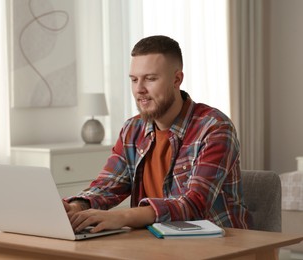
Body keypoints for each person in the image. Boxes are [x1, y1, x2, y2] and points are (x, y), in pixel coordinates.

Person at [63, 35, 251, 234]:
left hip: (219, 245)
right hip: (152, 243)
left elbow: (194, 205)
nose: (139, 89)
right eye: (134, 80)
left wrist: (123, 216)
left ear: (177, 79)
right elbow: (108, 186)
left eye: (150, 79)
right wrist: (76, 207)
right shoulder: (132, 129)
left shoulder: (214, 128)